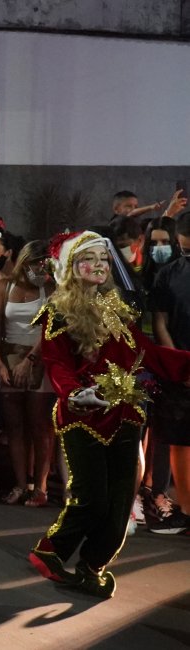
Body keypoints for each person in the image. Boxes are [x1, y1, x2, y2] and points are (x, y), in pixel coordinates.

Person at [28, 230, 190, 598]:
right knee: (92, 499)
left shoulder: (117, 308)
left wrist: (185, 365)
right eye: (90, 259)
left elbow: (146, 353)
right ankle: (51, 552)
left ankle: (93, 565)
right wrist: (75, 394)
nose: (100, 266)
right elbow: (56, 363)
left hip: (127, 415)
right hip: (83, 416)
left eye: (104, 259)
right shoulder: (58, 312)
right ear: (70, 267)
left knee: (119, 505)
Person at [0, 241, 54, 506]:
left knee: (40, 427)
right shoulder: (4, 286)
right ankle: (20, 484)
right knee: (15, 427)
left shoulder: (50, 288)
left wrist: (30, 360)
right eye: (34, 264)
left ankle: (40, 487)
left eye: (44, 264)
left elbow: (51, 327)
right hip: (9, 355)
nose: (39, 270)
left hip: (39, 358)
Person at [151, 211, 190, 524]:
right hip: (179, 371)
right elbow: (160, 320)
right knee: (178, 440)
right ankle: (187, 510)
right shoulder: (167, 274)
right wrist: (177, 361)